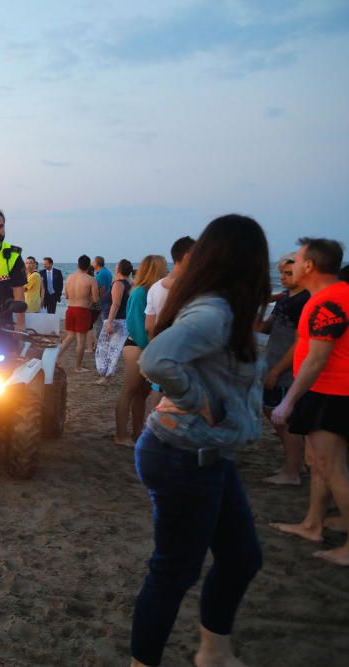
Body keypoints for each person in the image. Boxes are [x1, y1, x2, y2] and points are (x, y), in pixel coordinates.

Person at [130, 214, 269, 667]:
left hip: (207, 453)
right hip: (182, 453)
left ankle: (214, 652)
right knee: (174, 572)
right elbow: (155, 359)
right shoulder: (214, 312)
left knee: (242, 557)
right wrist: (198, 398)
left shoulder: (221, 307)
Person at [270, 238, 349, 565]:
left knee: (332, 469)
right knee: (319, 464)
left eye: (298, 258)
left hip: (332, 393)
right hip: (325, 391)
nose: (293, 263)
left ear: (310, 266)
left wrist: (288, 401)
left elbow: (317, 360)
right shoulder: (330, 296)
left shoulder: (329, 301)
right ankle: (313, 524)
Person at [258, 254, 309, 485]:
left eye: (289, 273)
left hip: (286, 370)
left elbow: (301, 342)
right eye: (281, 273)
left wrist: (277, 370)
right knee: (275, 414)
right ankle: (299, 462)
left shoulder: (304, 301)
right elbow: (265, 328)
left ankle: (292, 470)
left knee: (283, 419)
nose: (283, 278)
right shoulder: (285, 298)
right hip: (273, 363)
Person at [116, 255, 168, 446]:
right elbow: (136, 325)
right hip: (136, 347)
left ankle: (138, 433)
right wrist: (150, 348)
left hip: (146, 346)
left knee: (141, 395)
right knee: (128, 391)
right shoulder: (139, 293)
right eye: (163, 269)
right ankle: (120, 435)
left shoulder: (148, 291)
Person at [145, 236, 196, 340]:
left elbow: (149, 326)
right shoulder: (194, 286)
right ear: (187, 257)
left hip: (162, 345)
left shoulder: (155, 287)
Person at [57, 255, 99, 372]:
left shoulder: (69, 278)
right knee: (81, 340)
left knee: (69, 337)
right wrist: (89, 300)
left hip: (70, 309)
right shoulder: (91, 279)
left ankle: (55, 358)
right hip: (83, 310)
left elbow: (67, 296)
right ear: (89, 266)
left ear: (78, 264)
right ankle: (78, 367)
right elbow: (96, 299)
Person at [94, 259, 132, 384]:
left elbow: (115, 304)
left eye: (116, 266)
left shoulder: (119, 284)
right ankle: (107, 377)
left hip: (115, 320)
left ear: (118, 269)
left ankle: (106, 377)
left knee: (106, 350)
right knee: (112, 350)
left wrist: (109, 322)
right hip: (122, 320)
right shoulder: (129, 283)